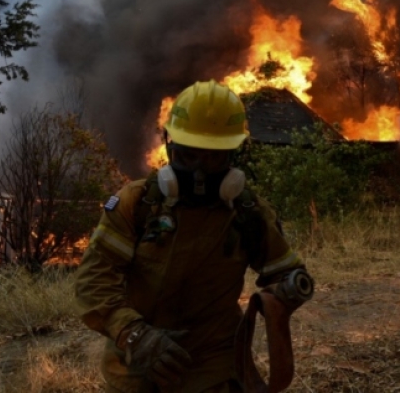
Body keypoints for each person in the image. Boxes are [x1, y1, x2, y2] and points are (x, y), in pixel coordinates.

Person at [75, 80, 313, 392]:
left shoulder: (249, 213)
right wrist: (135, 335)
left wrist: (290, 287)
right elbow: (94, 281)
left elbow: (283, 272)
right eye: (188, 156)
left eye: (213, 158)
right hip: (136, 371)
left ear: (232, 156)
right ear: (169, 147)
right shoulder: (136, 204)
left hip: (214, 372)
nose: (199, 171)